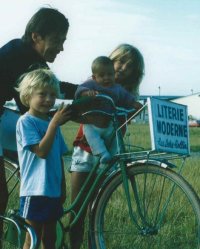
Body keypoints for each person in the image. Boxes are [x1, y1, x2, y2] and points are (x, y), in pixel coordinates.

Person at [0, 6, 77, 238]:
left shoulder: (30, 58)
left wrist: (85, 90)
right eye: (57, 40)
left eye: (64, 41)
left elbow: (52, 87)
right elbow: (33, 109)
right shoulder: (19, 55)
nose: (62, 48)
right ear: (36, 36)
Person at [69, 44, 145, 249]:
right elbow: (77, 108)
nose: (122, 68)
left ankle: (94, 244)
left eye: (129, 66)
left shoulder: (124, 96)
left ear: (134, 74)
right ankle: (72, 244)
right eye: (120, 61)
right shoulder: (92, 86)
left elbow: (129, 118)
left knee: (96, 206)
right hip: (85, 150)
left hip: (109, 154)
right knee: (78, 208)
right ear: (110, 60)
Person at [16, 68, 71, 249]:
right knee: (32, 238)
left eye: (52, 95)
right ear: (28, 95)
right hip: (34, 190)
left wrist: (62, 186)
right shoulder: (26, 122)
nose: (48, 99)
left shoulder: (51, 124)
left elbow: (57, 157)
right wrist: (54, 123)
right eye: (42, 94)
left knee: (51, 238)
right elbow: (41, 151)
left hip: (52, 190)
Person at [75, 56, 142, 165]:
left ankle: (112, 156)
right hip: (92, 123)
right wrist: (86, 93)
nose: (106, 78)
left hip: (109, 122)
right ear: (94, 77)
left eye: (110, 75)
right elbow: (79, 89)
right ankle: (102, 153)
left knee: (116, 137)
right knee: (90, 133)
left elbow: (126, 97)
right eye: (102, 75)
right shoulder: (92, 84)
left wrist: (134, 103)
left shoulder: (117, 88)